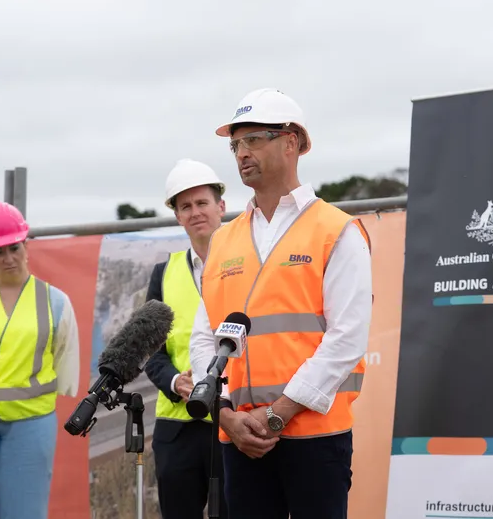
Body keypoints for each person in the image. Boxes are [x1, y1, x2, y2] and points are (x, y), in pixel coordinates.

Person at [189, 88, 373, 519]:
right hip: (239, 439)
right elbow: (205, 339)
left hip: (314, 435)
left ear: (291, 142)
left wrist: (278, 414)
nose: (241, 153)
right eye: (236, 144)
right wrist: (226, 415)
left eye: (253, 139)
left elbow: (346, 338)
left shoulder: (337, 230)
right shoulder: (223, 240)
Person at [0, 201, 80, 519]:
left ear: (26, 243)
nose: (9, 258)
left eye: (14, 248)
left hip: (30, 425)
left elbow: (65, 365)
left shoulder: (57, 302)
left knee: (26, 513)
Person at [144, 159, 228, 518]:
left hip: (231, 424)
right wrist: (175, 381)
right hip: (177, 428)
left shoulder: (253, 264)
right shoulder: (164, 275)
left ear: (221, 207)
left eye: (202, 203)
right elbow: (152, 353)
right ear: (177, 216)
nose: (195, 213)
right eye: (185, 206)